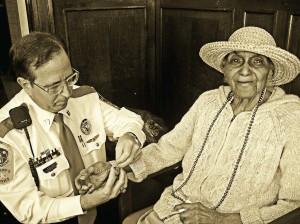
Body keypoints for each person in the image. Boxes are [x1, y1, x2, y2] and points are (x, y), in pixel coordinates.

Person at [111, 26, 300, 223]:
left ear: (270, 73)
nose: (245, 70)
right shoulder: (208, 101)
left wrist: (221, 219)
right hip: (172, 210)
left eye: (257, 62)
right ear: (224, 69)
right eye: (236, 61)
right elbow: (168, 149)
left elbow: (294, 202)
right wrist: (116, 169)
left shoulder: (290, 117)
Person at [0, 31, 146, 223]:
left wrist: (130, 136)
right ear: (25, 84)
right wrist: (84, 202)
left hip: (104, 208)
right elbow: (29, 208)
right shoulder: (6, 134)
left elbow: (128, 120)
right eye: (53, 87)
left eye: (69, 78)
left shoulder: (84, 97)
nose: (67, 92)